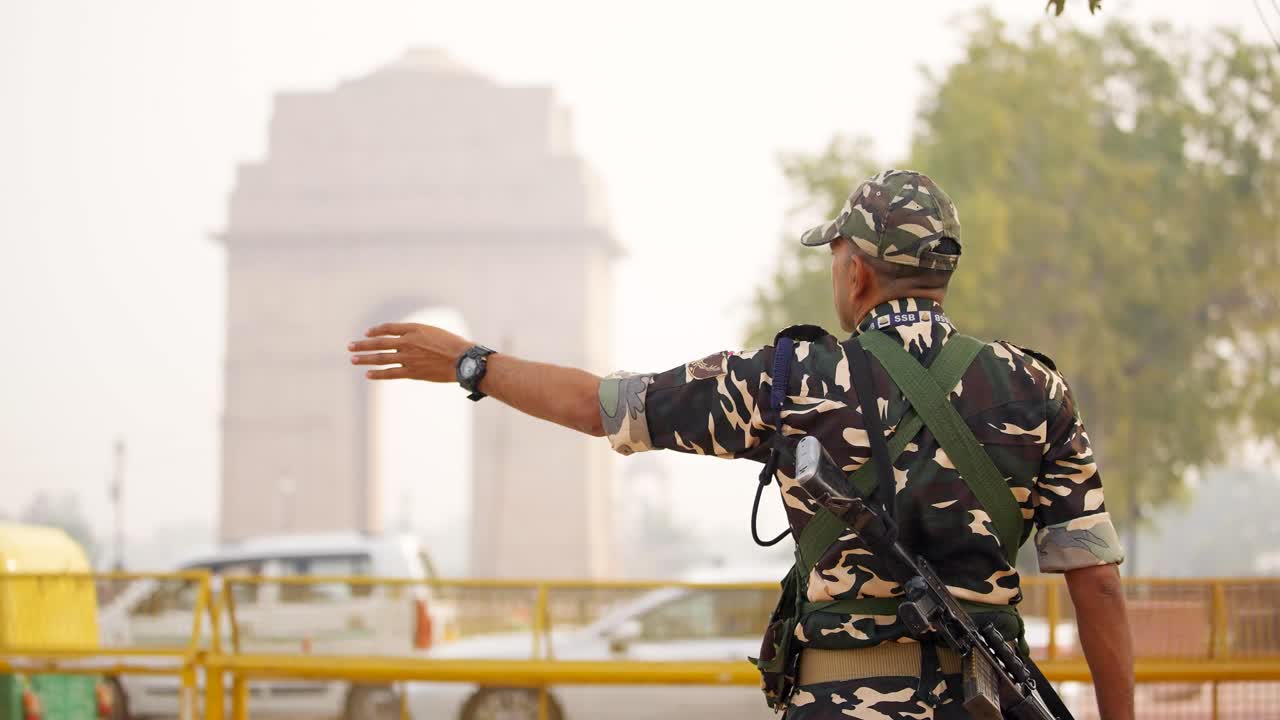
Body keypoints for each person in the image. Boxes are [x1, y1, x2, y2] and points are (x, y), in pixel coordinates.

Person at [348, 169, 1134, 720]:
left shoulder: (787, 380)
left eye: (836, 257)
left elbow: (601, 407)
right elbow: (1096, 584)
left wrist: (473, 364)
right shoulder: (1035, 389)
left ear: (856, 275)